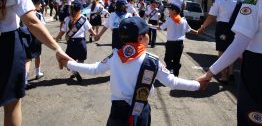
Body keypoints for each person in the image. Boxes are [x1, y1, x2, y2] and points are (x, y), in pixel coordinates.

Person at [59, 17, 203, 125]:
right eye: (147, 33)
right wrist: (197, 85)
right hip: (140, 112)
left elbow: (94, 69)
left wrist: (69, 63)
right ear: (141, 37)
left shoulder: (115, 55)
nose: (148, 36)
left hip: (116, 113)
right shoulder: (151, 60)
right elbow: (172, 82)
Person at [197, 0, 262, 125]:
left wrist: (209, 73)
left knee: (254, 118)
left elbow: (238, 44)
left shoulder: (254, 2)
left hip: (259, 70)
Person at [198, 0, 243, 83]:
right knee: (232, 50)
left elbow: (211, 17)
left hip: (222, 28)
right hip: (236, 28)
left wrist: (203, 27)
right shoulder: (241, 0)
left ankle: (224, 76)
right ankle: (231, 72)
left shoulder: (219, 0)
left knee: (222, 52)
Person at [55, 0, 98, 82]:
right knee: (81, 59)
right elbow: (90, 29)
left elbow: (62, 31)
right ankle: (76, 70)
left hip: (71, 42)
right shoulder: (83, 18)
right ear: (79, 10)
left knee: (69, 59)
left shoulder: (67, 19)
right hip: (81, 42)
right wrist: (95, 35)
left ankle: (73, 70)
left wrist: (57, 38)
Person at [154, 3, 198, 76]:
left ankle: (171, 69)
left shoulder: (170, 20)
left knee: (167, 59)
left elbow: (160, 27)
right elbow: (190, 30)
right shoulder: (183, 20)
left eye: (170, 10)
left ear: (174, 11)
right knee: (176, 60)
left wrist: (150, 26)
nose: (168, 11)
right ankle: (175, 74)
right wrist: (197, 32)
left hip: (171, 44)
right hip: (180, 44)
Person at [23, 0, 46, 90]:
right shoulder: (39, 15)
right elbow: (42, 28)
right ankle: (26, 80)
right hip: (35, 39)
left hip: (24, 38)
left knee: (29, 58)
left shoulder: (23, 14)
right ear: (34, 4)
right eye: (39, 3)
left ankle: (36, 73)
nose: (41, 4)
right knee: (31, 58)